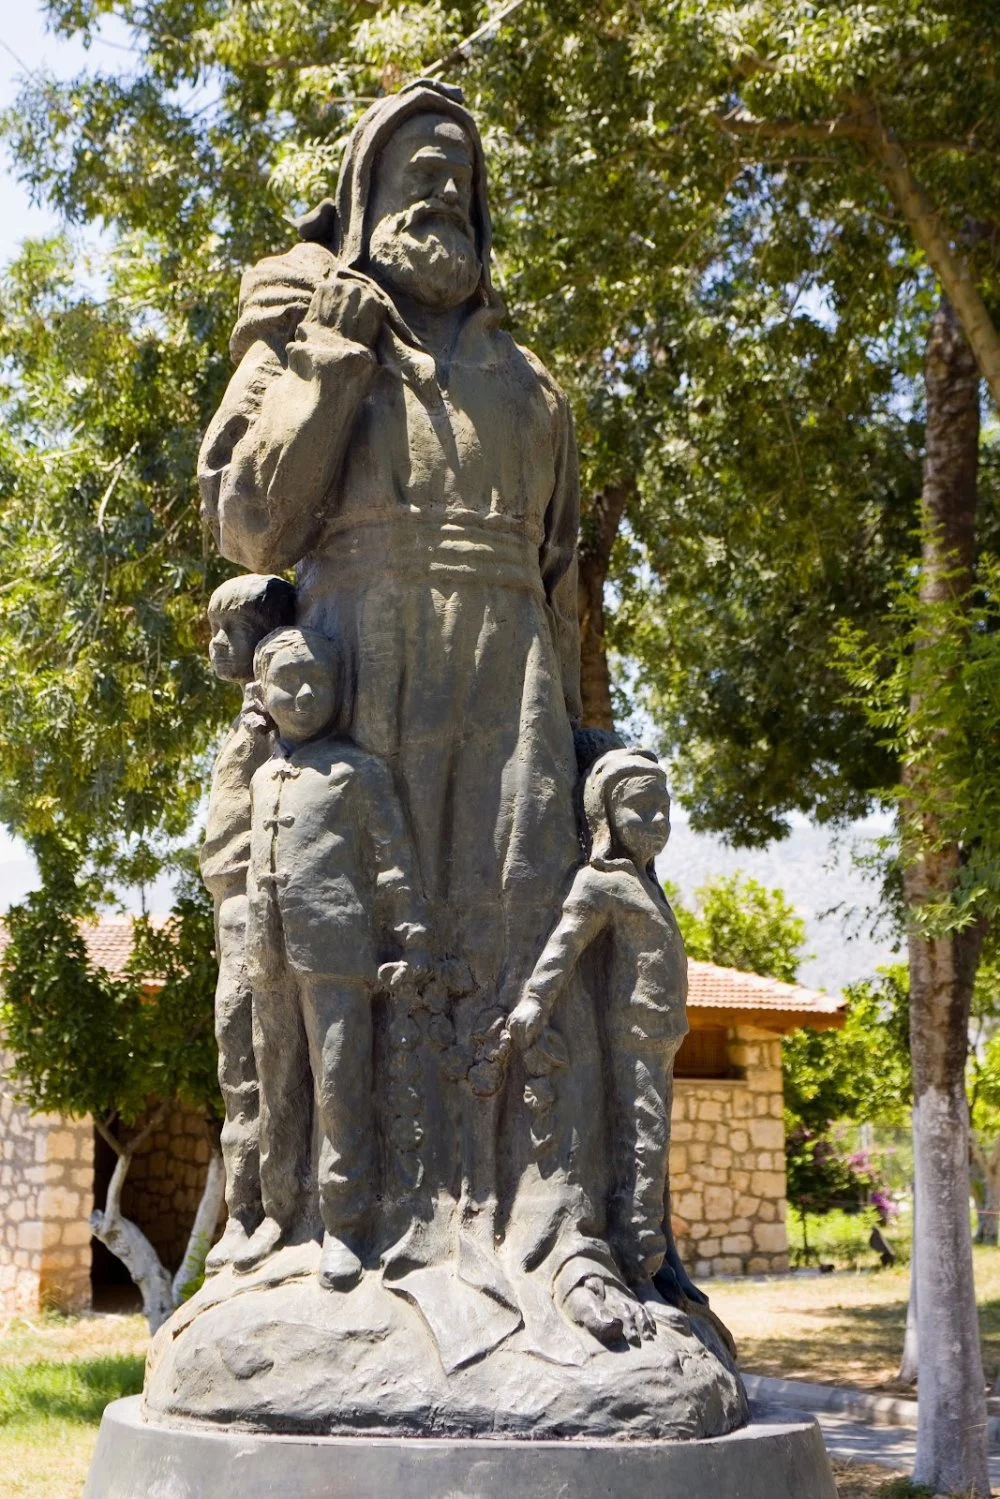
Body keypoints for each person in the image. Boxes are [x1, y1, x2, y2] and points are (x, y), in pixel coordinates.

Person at [236, 626, 431, 1291]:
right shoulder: (264, 776)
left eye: (317, 677)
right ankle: (279, 1211)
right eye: (287, 680)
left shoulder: (357, 770)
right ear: (262, 690)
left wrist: (411, 934)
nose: (303, 691)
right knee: (277, 1082)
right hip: (268, 954)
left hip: (338, 950)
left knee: (340, 1087)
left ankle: (344, 1224)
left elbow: (393, 862)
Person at [507, 748, 689, 1289]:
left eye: (665, 809)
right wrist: (535, 1002)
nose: (657, 822)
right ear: (608, 816)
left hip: (663, 1033)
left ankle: (649, 1256)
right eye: (642, 810)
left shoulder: (646, 882)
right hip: (634, 1032)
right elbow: (564, 945)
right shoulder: (601, 882)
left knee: (650, 1141)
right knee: (643, 1140)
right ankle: (639, 1254)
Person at [199, 573, 296, 1274]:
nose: (213, 648)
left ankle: (258, 1212)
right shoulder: (251, 716)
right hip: (229, 900)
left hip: (252, 906)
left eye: (226, 635)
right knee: (239, 1063)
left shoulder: (278, 719)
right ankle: (247, 1212)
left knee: (250, 1059)